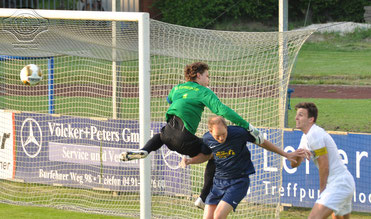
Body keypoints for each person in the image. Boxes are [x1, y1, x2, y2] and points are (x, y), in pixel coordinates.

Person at [120, 62, 265, 205]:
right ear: (198, 75)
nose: (208, 80)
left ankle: (145, 150)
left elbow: (169, 99)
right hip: (184, 138)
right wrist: (247, 126)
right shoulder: (204, 91)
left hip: (167, 133)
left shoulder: (177, 88)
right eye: (207, 76)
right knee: (214, 153)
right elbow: (222, 111)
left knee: (160, 136)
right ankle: (203, 198)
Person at [181, 116, 308, 219]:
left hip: (238, 182)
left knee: (218, 216)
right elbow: (206, 156)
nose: (221, 138)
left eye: (223, 134)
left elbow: (262, 141)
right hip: (218, 182)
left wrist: (285, 154)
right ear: (210, 132)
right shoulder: (207, 139)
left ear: (227, 127)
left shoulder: (238, 133)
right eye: (217, 136)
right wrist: (190, 161)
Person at [291, 102, 355, 219]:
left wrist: (322, 190)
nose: (296, 118)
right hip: (343, 182)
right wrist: (295, 155)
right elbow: (294, 165)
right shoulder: (305, 137)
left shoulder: (314, 133)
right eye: (297, 115)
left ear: (311, 119)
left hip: (339, 183)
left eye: (300, 115)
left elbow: (324, 164)